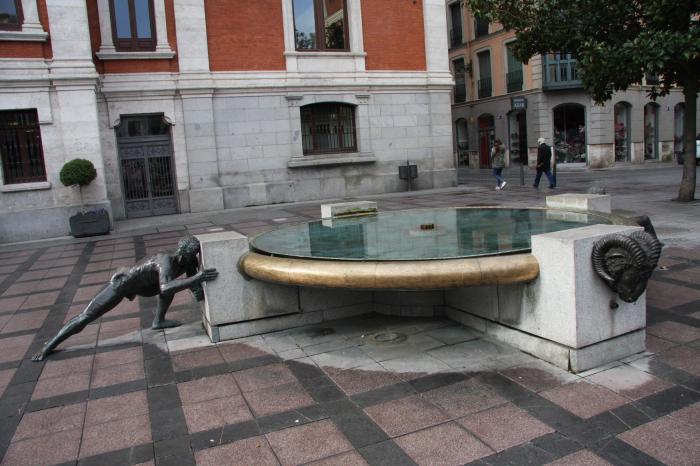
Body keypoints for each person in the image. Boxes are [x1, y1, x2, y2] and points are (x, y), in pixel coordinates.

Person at [32, 236, 218, 361]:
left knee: (170, 288)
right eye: (187, 255)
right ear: (181, 251)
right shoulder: (166, 261)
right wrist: (197, 278)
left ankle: (159, 321)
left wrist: (200, 292)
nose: (188, 259)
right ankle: (50, 345)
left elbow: (192, 281)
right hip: (123, 284)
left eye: (192, 256)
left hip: (147, 286)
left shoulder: (188, 260)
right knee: (86, 316)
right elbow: (170, 285)